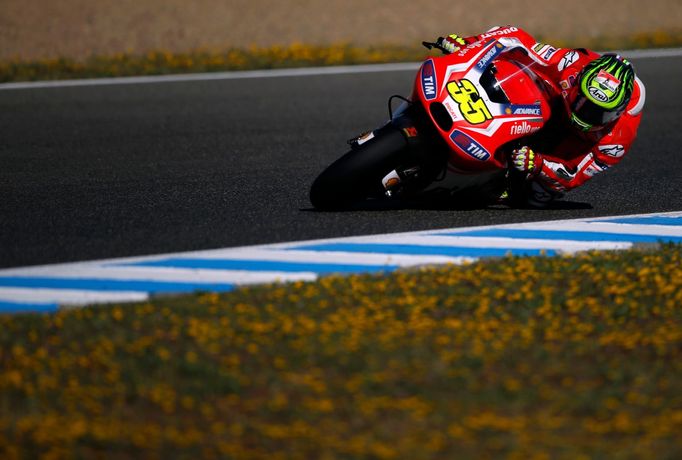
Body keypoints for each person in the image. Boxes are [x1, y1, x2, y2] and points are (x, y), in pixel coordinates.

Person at [436, 26, 646, 207]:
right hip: (555, 104)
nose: (585, 114)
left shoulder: (616, 140)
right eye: (583, 101)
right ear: (578, 81)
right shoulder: (571, 63)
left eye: (598, 113)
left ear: (617, 113)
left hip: (575, 146)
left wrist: (537, 163)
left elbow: (573, 176)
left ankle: (497, 180)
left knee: (535, 197)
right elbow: (517, 38)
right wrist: (470, 44)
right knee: (514, 72)